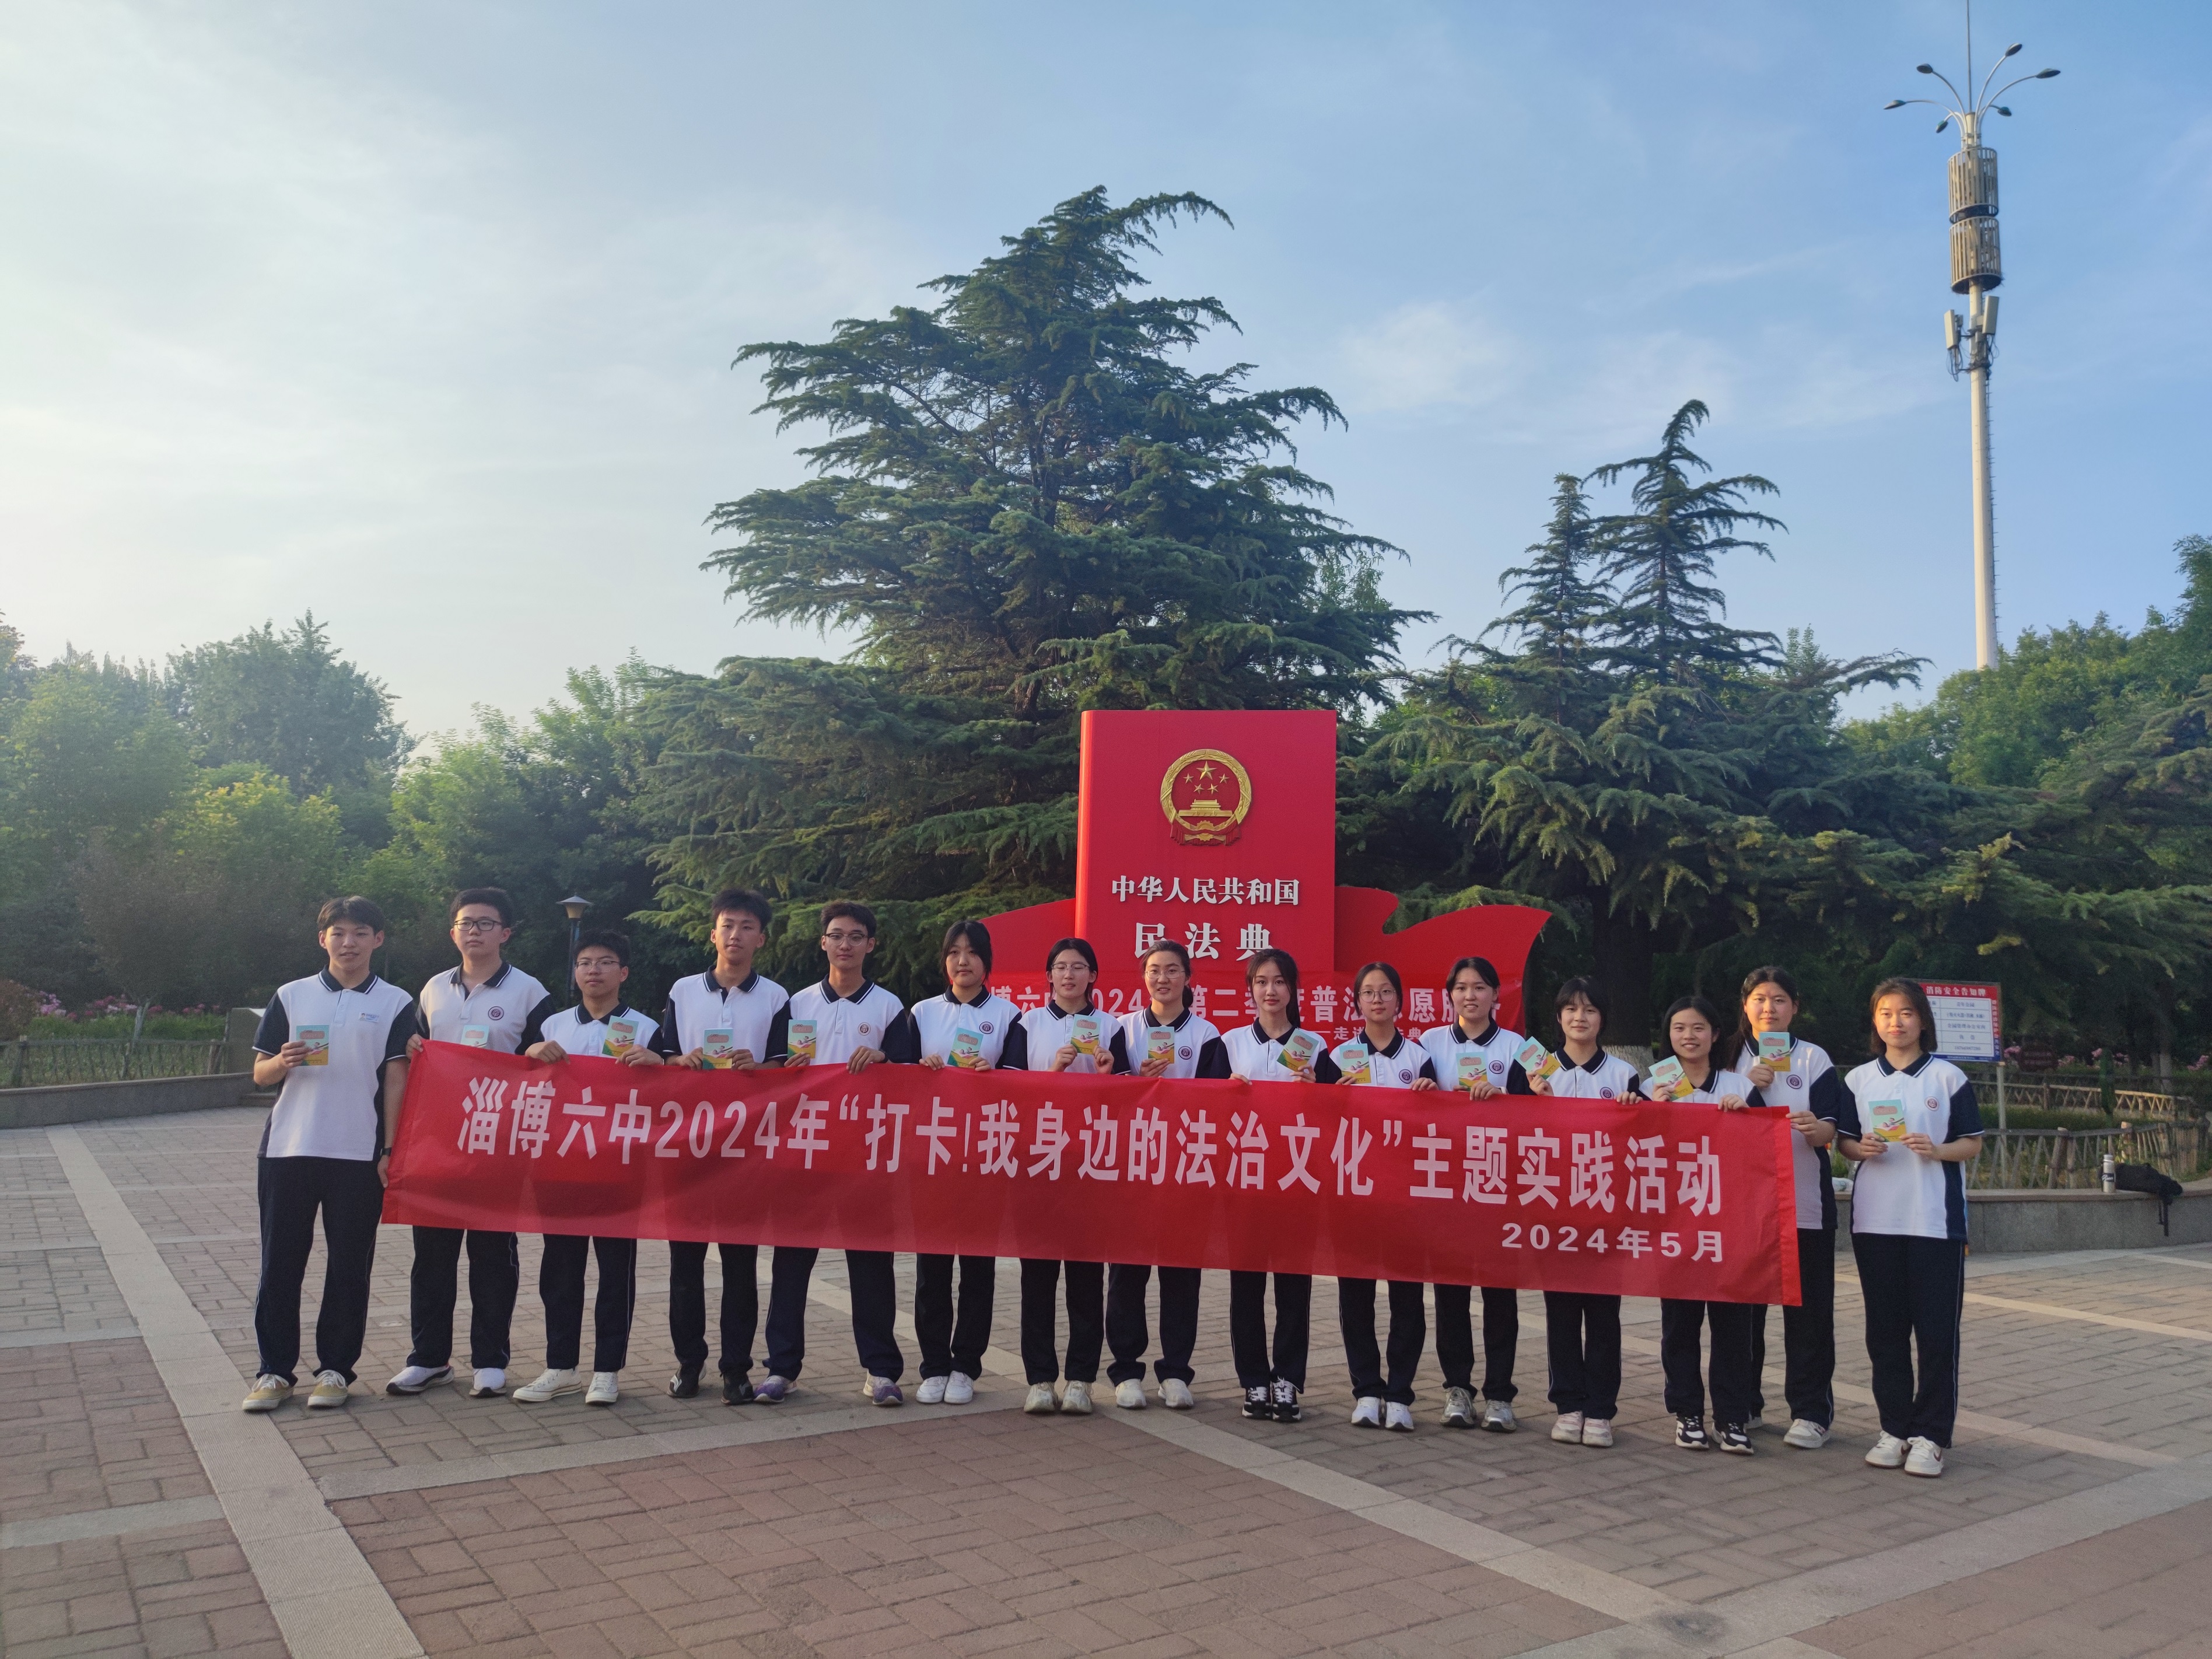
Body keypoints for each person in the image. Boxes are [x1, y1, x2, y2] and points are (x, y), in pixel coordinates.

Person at [242, 897, 418, 1413]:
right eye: (338, 933)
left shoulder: (395, 1002)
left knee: (348, 1267)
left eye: (360, 932)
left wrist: (390, 1149)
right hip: (288, 1148)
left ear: (378, 940)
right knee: (280, 1265)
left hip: (357, 1154)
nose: (349, 942)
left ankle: (336, 1370)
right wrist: (281, 1062)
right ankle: (274, 1371)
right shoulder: (291, 995)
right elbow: (259, 1074)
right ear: (323, 939)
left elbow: (396, 1079)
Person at [387, 887, 550, 1401]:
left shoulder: (529, 992)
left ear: (506, 933)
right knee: (432, 1256)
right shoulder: (433, 989)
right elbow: (411, 1056)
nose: (474, 931)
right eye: (466, 923)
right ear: (452, 932)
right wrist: (413, 1046)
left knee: (492, 1256)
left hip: (499, 1144)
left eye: (485, 923)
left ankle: (490, 1360)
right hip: (438, 1141)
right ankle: (429, 1359)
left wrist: (541, 1052)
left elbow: (546, 1061)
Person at [1835, 978, 1983, 1480]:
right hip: (1875, 1223)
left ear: (1922, 1020)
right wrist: (1859, 1149)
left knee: (1937, 1335)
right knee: (1885, 1333)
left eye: (1905, 1013)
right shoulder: (1859, 1080)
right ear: (1875, 1022)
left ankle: (1932, 1436)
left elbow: (1972, 1142)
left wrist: (1937, 1150)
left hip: (1934, 1224)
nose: (1895, 1022)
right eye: (1885, 1013)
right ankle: (1894, 1429)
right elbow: (1844, 1142)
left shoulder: (1947, 1077)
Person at [511, 929, 664, 1407]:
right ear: (575, 973)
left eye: (604, 962)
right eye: (584, 963)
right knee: (560, 1270)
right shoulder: (552, 1025)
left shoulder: (646, 1029)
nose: (593, 970)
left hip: (620, 1168)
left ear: (624, 972)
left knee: (615, 1271)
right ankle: (560, 1367)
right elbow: (520, 1084)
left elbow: (670, 1096)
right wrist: (530, 1053)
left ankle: (607, 1371)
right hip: (560, 1166)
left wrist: (659, 1063)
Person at [652, 887, 790, 1406]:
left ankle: (736, 1369)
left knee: (740, 1266)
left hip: (744, 1151)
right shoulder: (683, 990)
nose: (736, 935)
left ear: (761, 939)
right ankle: (689, 1364)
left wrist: (761, 1067)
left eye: (747, 926)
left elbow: (785, 1067)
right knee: (684, 1267)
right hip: (687, 1146)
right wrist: (680, 1061)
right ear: (713, 933)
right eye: (728, 925)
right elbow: (663, 1057)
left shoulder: (777, 997)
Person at [767, 901, 908, 1406]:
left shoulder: (890, 1007)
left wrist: (885, 1057)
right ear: (823, 943)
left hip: (864, 1156)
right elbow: (773, 1073)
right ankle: (781, 1368)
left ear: (871, 944)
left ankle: (881, 1370)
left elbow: (911, 1076)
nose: (845, 944)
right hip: (805, 1152)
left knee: (871, 1265)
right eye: (836, 935)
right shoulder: (797, 1004)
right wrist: (784, 1070)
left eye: (855, 936)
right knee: (791, 1264)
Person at [881, 919, 1027, 1405]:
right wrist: (921, 1072)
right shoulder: (922, 1013)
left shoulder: (1009, 1016)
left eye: (972, 952)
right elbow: (898, 1079)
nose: (963, 961)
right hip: (933, 1155)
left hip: (986, 1154)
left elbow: (1020, 1084)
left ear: (987, 962)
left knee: (978, 1267)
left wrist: (993, 1075)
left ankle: (965, 1366)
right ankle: (934, 1366)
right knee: (933, 1267)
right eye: (954, 952)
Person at [1105, 940, 1227, 1412]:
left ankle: (1176, 1371)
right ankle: (1126, 1371)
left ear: (1187, 978)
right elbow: (1108, 1096)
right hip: (1133, 1168)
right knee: (1127, 1275)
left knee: (1181, 1275)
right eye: (1154, 970)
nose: (1163, 979)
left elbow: (1216, 1104)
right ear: (1144, 978)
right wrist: (1136, 1082)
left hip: (1185, 1169)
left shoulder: (1206, 1034)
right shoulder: (1123, 1029)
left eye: (1172, 970)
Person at [1219, 947, 1338, 1423]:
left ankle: (1287, 1379)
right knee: (1246, 1286)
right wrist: (1225, 1094)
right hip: (1244, 1181)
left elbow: (1338, 1115)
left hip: (1296, 1179)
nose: (1271, 991)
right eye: (1261, 982)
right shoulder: (1228, 1045)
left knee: (1293, 1286)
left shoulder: (1316, 1047)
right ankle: (1253, 1380)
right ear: (1250, 989)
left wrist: (1316, 1092)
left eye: (1280, 982)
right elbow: (1203, 1113)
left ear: (1293, 989)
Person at [1526, 977, 1642, 1448]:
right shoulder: (1536, 1072)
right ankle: (1568, 1404)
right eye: (1571, 1009)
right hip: (1553, 1209)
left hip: (1605, 1211)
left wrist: (1635, 1109)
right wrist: (1533, 1103)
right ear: (1558, 1017)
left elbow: (1644, 1142)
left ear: (1602, 1019)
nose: (1580, 1018)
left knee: (1603, 1313)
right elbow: (1507, 1133)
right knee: (1561, 1311)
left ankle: (1600, 1410)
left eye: (1590, 1010)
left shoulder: (1624, 1075)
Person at [1416, 955, 1531, 1433]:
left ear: (1496, 996)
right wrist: (1424, 1089)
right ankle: (1458, 1389)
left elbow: (1537, 1112)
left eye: (1480, 987)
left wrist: (1505, 1101)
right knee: (1451, 1292)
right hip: (1447, 1184)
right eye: (1461, 988)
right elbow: (1413, 1106)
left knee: (1500, 1293)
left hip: (1499, 1184)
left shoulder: (1518, 1046)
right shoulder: (1429, 1043)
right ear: (1449, 996)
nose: (1470, 995)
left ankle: (1500, 1394)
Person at [1732, 965, 1845, 1450]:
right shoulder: (1728, 1057)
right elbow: (1701, 1117)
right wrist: (1746, 1085)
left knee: (1808, 1312)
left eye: (1779, 1000)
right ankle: (1744, 1404)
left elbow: (1832, 1127)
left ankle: (1811, 1411)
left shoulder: (1814, 1059)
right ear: (1746, 1006)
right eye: (1760, 999)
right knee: (1743, 1312)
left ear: (1794, 1007)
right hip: (1740, 1209)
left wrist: (1817, 1130)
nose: (1769, 1009)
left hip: (1804, 1203)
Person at [1016, 937, 1128, 1416]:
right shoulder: (1027, 1024)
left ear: (1093, 976)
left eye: (1078, 967)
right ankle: (1040, 1379)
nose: (1068, 975)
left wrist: (1106, 1074)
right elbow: (1009, 1092)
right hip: (1040, 1163)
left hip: (1091, 1164)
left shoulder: (1111, 1027)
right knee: (1037, 1278)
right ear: (1049, 976)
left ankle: (1081, 1379)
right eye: (1060, 967)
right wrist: (1052, 1072)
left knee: (1085, 1277)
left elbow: (1128, 1101)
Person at [1648, 994, 1761, 1457]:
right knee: (1680, 1323)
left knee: (1733, 1324)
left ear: (1716, 1035)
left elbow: (1763, 1150)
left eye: (1698, 1028)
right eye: (1679, 1028)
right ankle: (1687, 1413)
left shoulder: (1739, 1085)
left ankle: (1733, 1417)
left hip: (1729, 1223)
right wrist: (1648, 1112)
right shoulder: (1654, 1084)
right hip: (1675, 1224)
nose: (1688, 1036)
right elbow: (1633, 1151)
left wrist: (1747, 1117)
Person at [1332, 961, 1438, 1433]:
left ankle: (1399, 1394)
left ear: (1400, 1001)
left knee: (1406, 1298)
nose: (1377, 1000)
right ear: (1357, 1001)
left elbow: (1439, 1124)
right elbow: (1317, 1124)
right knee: (1355, 1296)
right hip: (1354, 1194)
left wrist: (1432, 1095)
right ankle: (1366, 1390)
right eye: (1369, 993)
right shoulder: (1338, 1057)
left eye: (1386, 992)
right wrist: (1331, 1098)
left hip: (1406, 1197)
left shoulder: (1418, 1058)